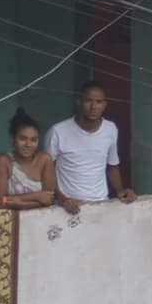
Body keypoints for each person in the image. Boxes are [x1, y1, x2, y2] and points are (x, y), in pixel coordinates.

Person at [48, 80, 134, 212]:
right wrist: (62, 199)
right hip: (68, 207)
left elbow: (112, 166)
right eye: (89, 101)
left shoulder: (110, 129)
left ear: (105, 105)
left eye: (99, 102)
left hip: (100, 204)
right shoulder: (58, 131)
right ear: (79, 102)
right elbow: (47, 172)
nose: (94, 107)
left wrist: (120, 191)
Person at [0, 110, 58, 212]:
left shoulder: (45, 159)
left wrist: (18, 203)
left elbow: (49, 199)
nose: (28, 144)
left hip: (41, 219)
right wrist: (37, 196)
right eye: (23, 139)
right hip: (12, 220)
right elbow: (0, 201)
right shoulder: (4, 161)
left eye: (33, 140)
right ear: (13, 138)